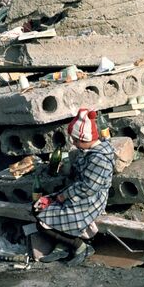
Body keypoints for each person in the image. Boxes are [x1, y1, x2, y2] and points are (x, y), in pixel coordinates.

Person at [34, 108, 115, 266]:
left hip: (91, 199)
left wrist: (64, 196)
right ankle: (63, 245)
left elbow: (88, 187)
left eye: (76, 140)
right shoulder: (88, 152)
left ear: (83, 138)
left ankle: (80, 246)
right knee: (37, 207)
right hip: (80, 194)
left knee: (42, 221)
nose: (74, 144)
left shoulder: (99, 158)